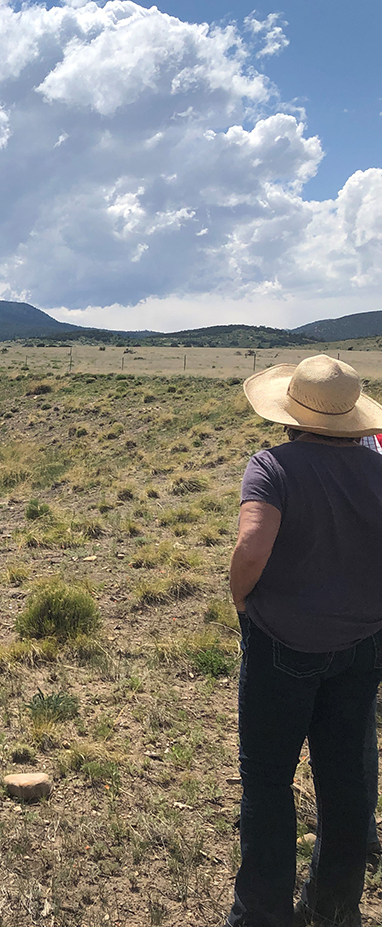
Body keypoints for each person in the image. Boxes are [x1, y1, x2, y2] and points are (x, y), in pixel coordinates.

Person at [228, 354, 382, 927]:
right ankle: (334, 906)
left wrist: (242, 599)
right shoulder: (378, 468)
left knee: (268, 780)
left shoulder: (273, 466)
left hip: (283, 643)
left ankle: (263, 914)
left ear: (291, 412)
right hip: (364, 643)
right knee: (345, 779)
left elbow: (251, 548)